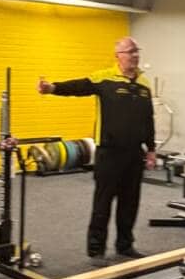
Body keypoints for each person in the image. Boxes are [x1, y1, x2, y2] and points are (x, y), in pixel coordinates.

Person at [38, 37, 156, 260]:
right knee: (103, 202)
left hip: (134, 154)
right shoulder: (104, 78)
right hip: (109, 153)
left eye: (136, 51)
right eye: (130, 51)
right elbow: (78, 86)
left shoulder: (144, 84)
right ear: (118, 56)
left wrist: (151, 149)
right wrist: (52, 88)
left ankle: (125, 245)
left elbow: (148, 119)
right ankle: (96, 249)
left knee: (130, 203)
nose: (135, 55)